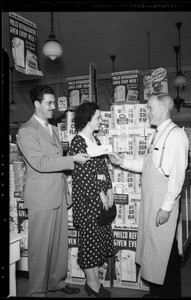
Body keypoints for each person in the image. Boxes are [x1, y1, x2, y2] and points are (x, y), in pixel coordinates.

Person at [109, 93, 189, 298]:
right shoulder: (157, 133)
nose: (147, 112)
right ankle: (157, 292)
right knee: (154, 248)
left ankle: (169, 294)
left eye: (150, 108)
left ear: (162, 109)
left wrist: (167, 206)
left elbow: (177, 175)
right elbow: (147, 166)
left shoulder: (175, 135)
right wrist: (122, 161)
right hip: (151, 201)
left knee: (165, 250)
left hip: (162, 202)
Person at [17, 85, 91, 297]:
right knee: (40, 248)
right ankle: (36, 291)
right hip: (41, 198)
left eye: (53, 103)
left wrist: (65, 191)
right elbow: (40, 163)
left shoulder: (54, 129)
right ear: (37, 104)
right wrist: (72, 159)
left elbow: (56, 166)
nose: (53, 107)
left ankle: (56, 282)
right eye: (49, 103)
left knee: (60, 245)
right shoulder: (26, 131)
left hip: (57, 194)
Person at [69, 102, 115, 298]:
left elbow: (103, 168)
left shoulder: (95, 140)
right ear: (87, 118)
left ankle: (94, 283)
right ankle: (92, 285)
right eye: (97, 117)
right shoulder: (77, 142)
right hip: (88, 202)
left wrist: (110, 189)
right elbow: (83, 175)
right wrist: (101, 194)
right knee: (89, 244)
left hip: (100, 201)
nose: (100, 120)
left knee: (97, 244)